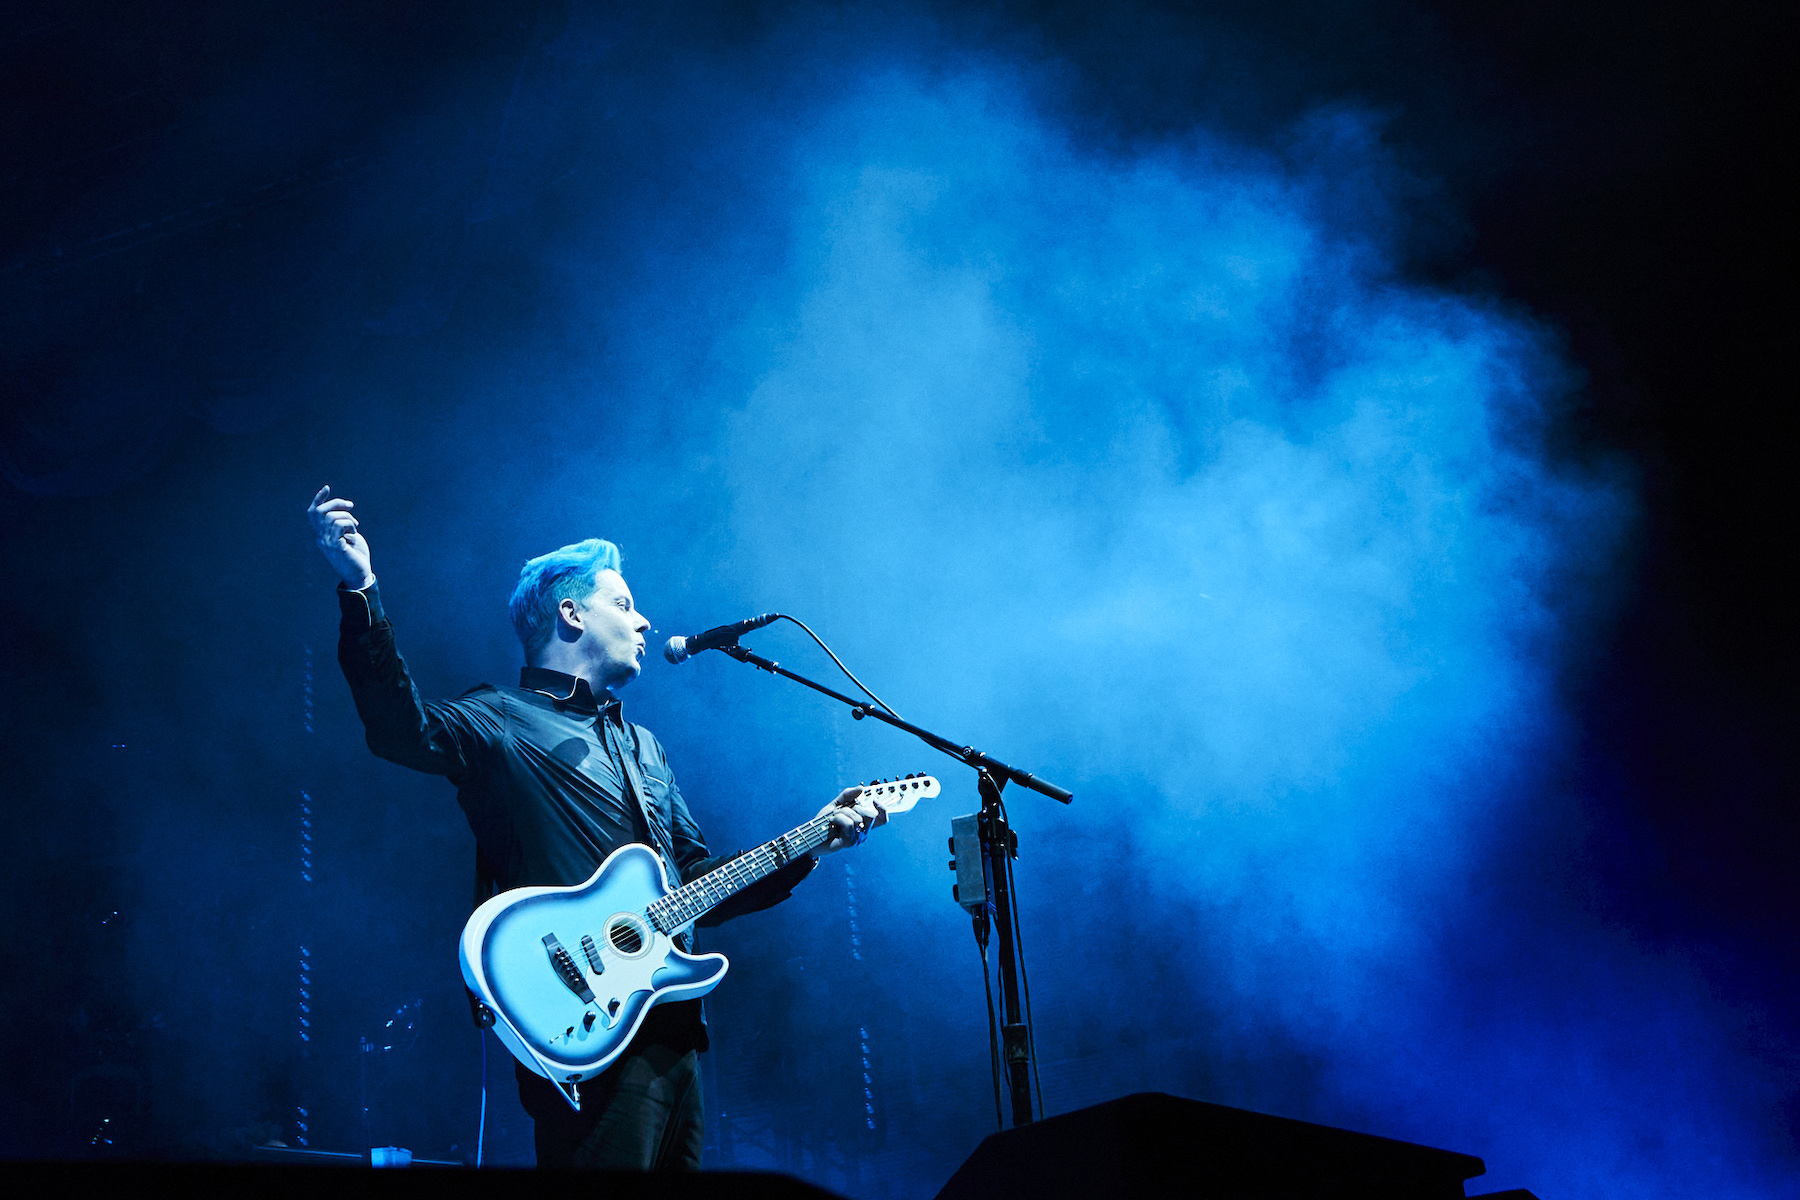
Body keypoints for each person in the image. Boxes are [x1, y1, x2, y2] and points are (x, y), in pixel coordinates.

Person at [306, 485, 885, 1169]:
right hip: (578, 1022)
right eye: (624, 604)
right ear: (571, 613)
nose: (643, 623)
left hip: (673, 1035)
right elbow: (400, 729)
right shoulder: (500, 719)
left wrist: (815, 837)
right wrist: (362, 589)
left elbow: (700, 883)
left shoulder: (646, 748)